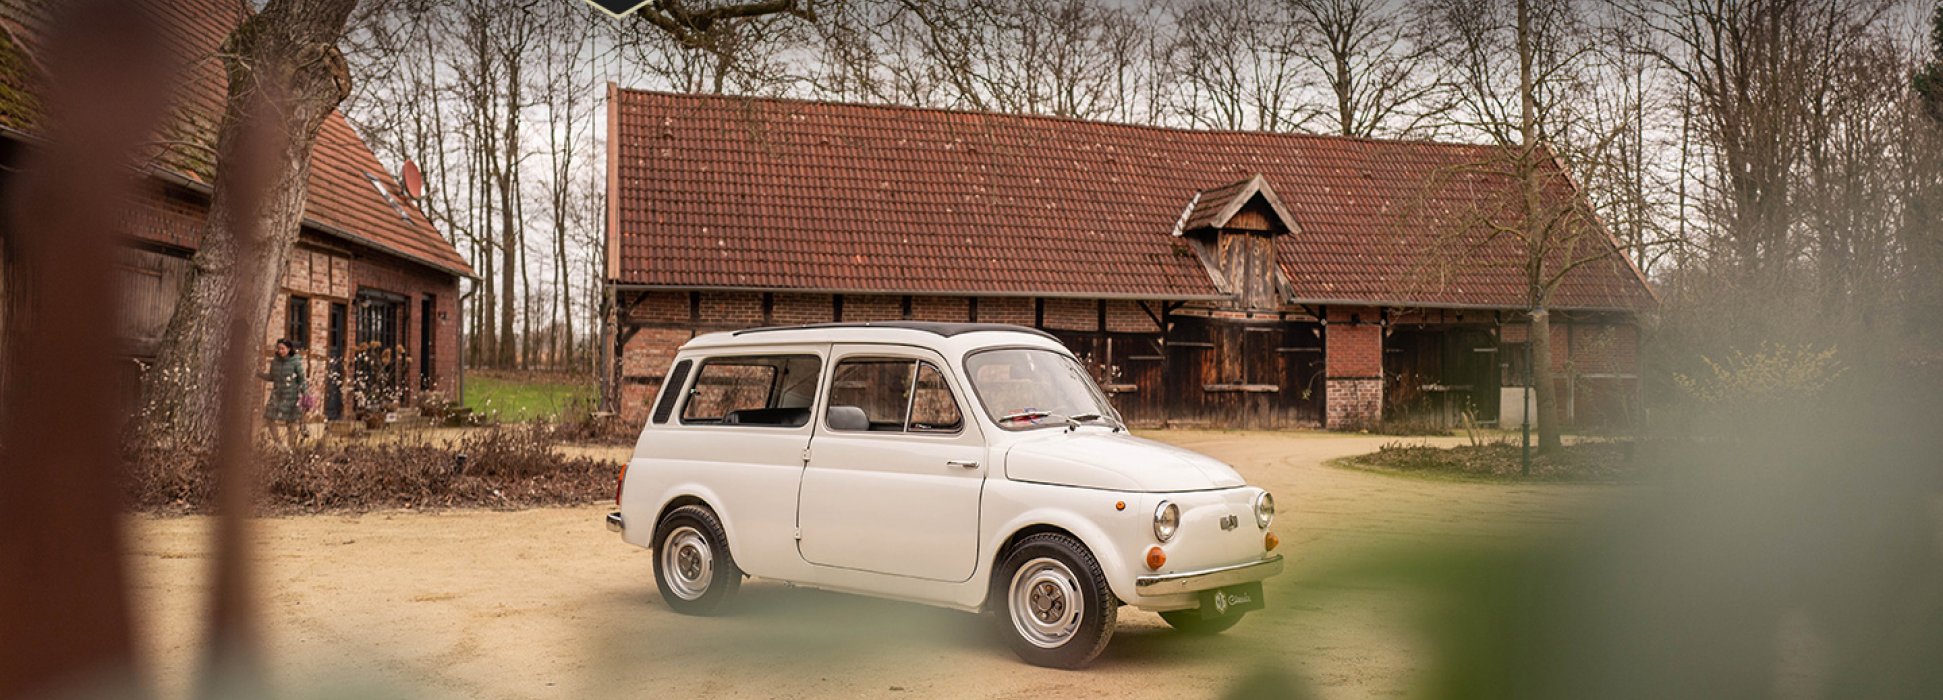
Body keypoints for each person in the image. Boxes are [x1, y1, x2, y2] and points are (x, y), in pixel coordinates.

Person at [260, 338, 306, 449]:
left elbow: (301, 379)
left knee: (290, 423)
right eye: (279, 348)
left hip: (291, 396)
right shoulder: (275, 362)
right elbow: (271, 377)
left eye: (283, 348)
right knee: (269, 418)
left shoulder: (295, 361)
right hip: (277, 394)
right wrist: (258, 374)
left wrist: (305, 394)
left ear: (289, 349)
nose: (280, 351)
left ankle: (291, 449)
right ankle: (279, 443)